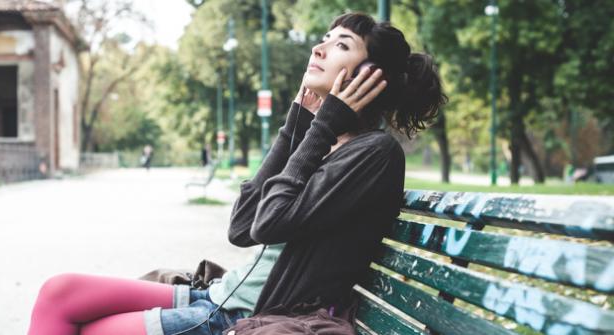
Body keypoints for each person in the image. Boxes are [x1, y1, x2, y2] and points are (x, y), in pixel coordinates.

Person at [26, 12, 446, 335]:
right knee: (58, 292)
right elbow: (242, 226)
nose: (318, 49)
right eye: (322, 40)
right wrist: (295, 128)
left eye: (341, 45)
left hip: (236, 314)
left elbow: (269, 222)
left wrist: (319, 127)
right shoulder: (331, 144)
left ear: (370, 77)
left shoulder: (374, 153)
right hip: (215, 296)